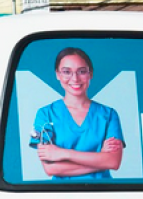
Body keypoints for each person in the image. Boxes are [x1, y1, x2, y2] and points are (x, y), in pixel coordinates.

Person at [30, 47, 125, 179]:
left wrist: (63, 153)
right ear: (57, 74)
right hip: (61, 196)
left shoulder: (108, 115)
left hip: (103, 194)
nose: (75, 78)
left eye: (81, 71)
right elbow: (51, 168)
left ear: (90, 74)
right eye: (66, 72)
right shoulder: (46, 114)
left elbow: (113, 162)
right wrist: (100, 159)